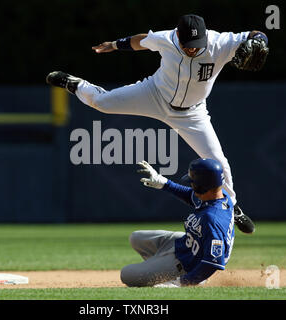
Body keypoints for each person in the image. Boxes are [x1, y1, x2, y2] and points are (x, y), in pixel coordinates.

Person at [46, 14, 269, 233]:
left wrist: (259, 41)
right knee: (100, 102)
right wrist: (114, 45)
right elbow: (140, 41)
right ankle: (73, 83)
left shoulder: (220, 43)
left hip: (193, 114)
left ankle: (232, 207)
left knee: (219, 163)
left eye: (196, 43)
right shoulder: (167, 38)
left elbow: (257, 34)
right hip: (154, 95)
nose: (192, 48)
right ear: (178, 36)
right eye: (187, 44)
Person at [120, 158, 234, 287]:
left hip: (188, 263)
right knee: (136, 238)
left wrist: (182, 282)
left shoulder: (213, 218)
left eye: (193, 183)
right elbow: (189, 194)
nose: (191, 185)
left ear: (202, 186)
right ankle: (159, 266)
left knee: (126, 274)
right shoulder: (217, 195)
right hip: (187, 243)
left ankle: (174, 273)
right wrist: (164, 183)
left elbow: (213, 262)